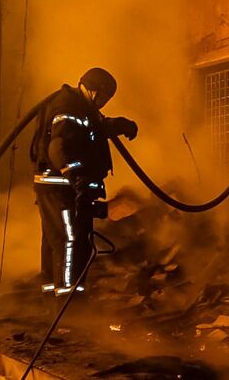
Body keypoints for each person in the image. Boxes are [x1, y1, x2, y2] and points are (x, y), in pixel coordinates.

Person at [30, 68, 137, 298]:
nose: (104, 103)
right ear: (92, 90)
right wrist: (77, 178)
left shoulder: (80, 107)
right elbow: (59, 147)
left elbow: (91, 128)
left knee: (57, 240)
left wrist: (118, 125)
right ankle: (68, 301)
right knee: (70, 241)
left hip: (65, 188)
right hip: (63, 189)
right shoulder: (67, 107)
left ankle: (52, 299)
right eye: (104, 97)